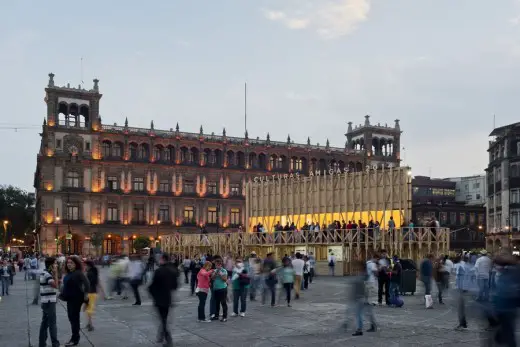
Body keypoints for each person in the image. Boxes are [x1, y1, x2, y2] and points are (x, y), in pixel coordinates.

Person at [149, 254, 179, 347]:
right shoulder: (173, 271)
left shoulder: (158, 271)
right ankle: (161, 336)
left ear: (163, 259)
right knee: (164, 318)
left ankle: (168, 339)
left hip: (159, 298)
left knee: (163, 319)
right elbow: (175, 286)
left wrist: (154, 295)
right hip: (168, 298)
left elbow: (152, 287)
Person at [60, 256, 90, 346]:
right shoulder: (69, 273)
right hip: (70, 298)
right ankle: (74, 338)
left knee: (74, 319)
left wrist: (86, 295)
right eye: (68, 263)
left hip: (76, 298)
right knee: (71, 318)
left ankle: (75, 339)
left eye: (71, 263)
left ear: (76, 264)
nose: (69, 264)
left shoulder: (78, 273)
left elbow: (87, 284)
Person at [39, 257, 60, 347]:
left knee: (45, 323)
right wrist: (56, 273)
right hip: (49, 302)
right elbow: (55, 286)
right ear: (51, 265)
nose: (57, 265)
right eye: (55, 264)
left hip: (46, 301)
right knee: (52, 323)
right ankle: (55, 343)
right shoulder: (47, 274)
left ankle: (42, 343)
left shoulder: (45, 273)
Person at [84, 260, 99, 331]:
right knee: (88, 308)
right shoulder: (93, 272)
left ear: (88, 266)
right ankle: (88, 323)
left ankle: (90, 324)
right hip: (93, 292)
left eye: (85, 265)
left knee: (89, 309)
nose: (84, 267)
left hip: (90, 293)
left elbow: (87, 284)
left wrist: (86, 293)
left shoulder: (89, 274)